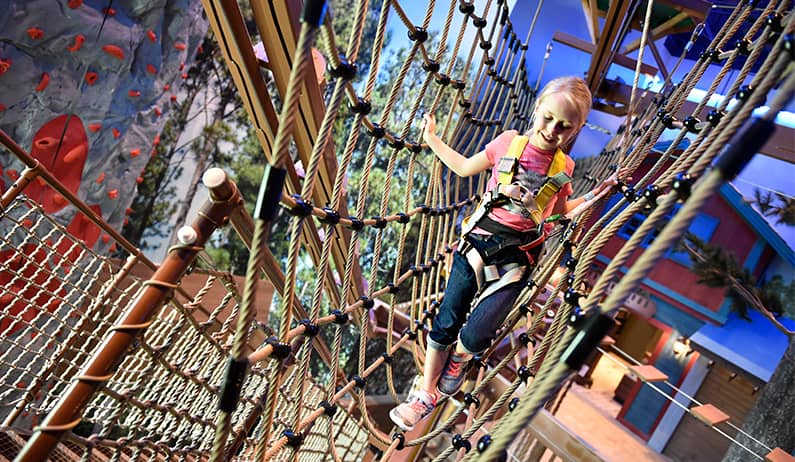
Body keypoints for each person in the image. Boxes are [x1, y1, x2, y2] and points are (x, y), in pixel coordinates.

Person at [389, 76, 620, 431]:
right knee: (446, 321)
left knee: (476, 334)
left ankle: (460, 359)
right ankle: (425, 395)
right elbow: (464, 167)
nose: (552, 130)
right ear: (537, 109)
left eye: (563, 126)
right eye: (548, 118)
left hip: (517, 258)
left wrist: (594, 195)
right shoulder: (508, 143)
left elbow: (559, 212)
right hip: (476, 245)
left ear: (575, 130)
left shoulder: (564, 168)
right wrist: (433, 138)